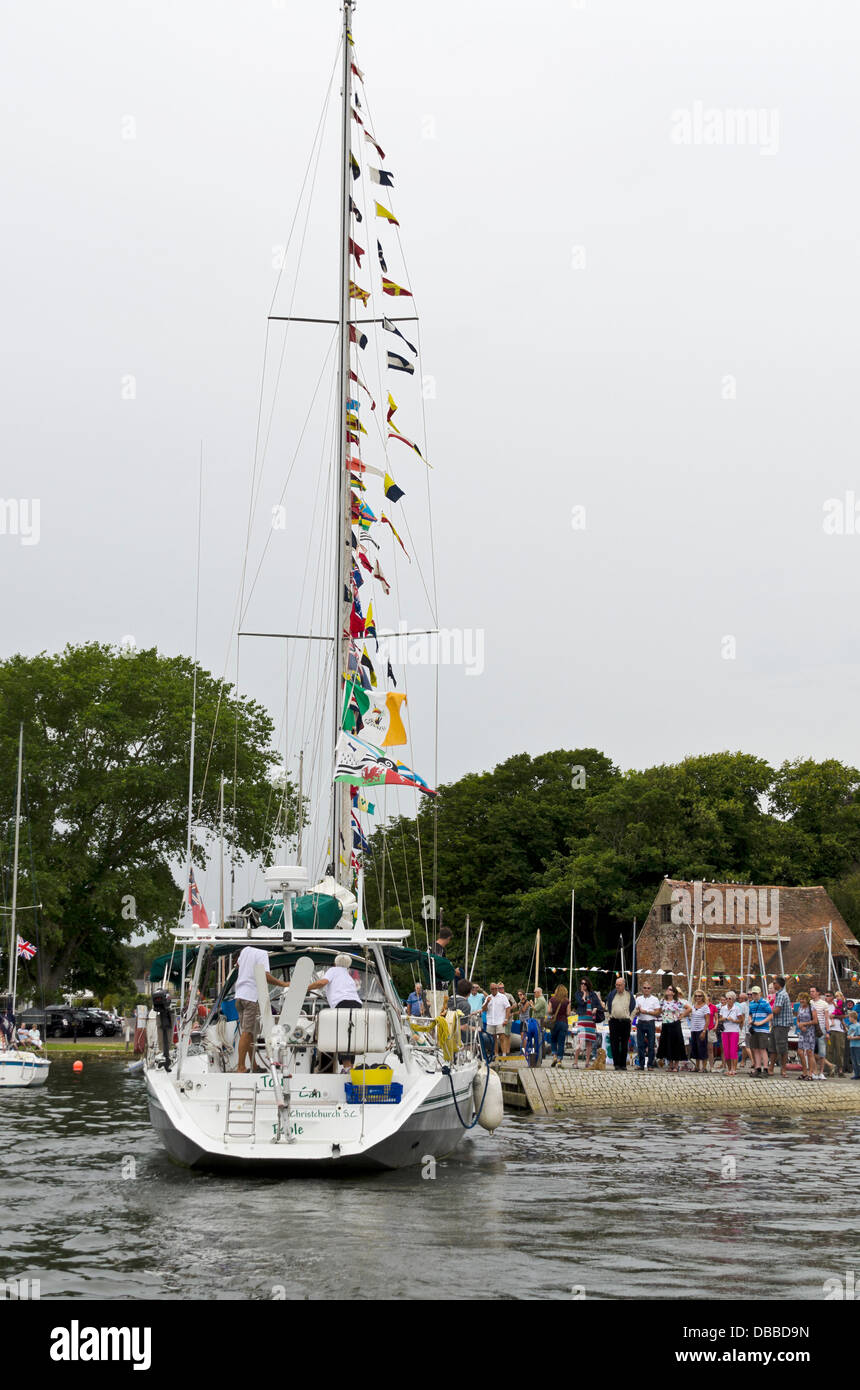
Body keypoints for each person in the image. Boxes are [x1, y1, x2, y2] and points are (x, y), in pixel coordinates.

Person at [233, 944, 293, 1074]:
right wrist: (283, 984)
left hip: (239, 996)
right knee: (247, 1033)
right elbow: (265, 975)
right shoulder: (262, 953)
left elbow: (237, 965)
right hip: (251, 997)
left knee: (250, 1034)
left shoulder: (245, 949)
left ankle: (253, 1066)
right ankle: (241, 1067)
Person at [656, 984, 689, 1072]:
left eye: (670, 989)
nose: (668, 990)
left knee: (676, 1044)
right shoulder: (662, 1001)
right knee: (667, 1044)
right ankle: (670, 1065)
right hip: (666, 1024)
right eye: (667, 989)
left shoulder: (678, 1001)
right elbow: (659, 1010)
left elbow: (689, 1008)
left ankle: (676, 1065)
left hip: (675, 1024)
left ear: (673, 993)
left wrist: (682, 1015)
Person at [606, 975, 635, 1071]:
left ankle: (623, 1064)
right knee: (614, 1043)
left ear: (624, 985)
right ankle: (616, 1064)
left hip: (625, 1022)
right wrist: (609, 1018)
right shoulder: (612, 994)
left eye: (619, 985)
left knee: (624, 1044)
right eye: (616, 985)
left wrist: (631, 1018)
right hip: (614, 1021)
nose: (617, 987)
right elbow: (607, 1006)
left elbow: (634, 1008)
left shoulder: (629, 995)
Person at [573, 976, 602, 1067]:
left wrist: (596, 1008)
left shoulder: (593, 994)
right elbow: (581, 1003)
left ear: (588, 984)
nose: (583, 985)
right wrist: (584, 995)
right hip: (582, 1020)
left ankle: (587, 1062)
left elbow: (599, 1006)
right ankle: (575, 1062)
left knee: (589, 1042)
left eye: (584, 984)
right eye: (581, 983)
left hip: (591, 1021)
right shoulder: (578, 994)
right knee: (580, 1041)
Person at [632, 980, 661, 1071]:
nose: (646, 990)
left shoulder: (655, 999)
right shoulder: (638, 999)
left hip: (650, 1022)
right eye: (645, 988)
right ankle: (641, 1064)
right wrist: (638, 1011)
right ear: (642, 989)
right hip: (640, 1022)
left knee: (651, 1044)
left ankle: (650, 1065)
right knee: (640, 1044)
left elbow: (657, 1012)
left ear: (651, 989)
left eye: (648, 988)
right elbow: (635, 1012)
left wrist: (647, 1012)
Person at [767, 976, 792, 1078]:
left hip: (782, 1024)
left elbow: (777, 1010)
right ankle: (771, 1068)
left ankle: (783, 1069)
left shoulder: (781, 995)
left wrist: (766, 1008)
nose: (773, 985)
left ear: (779, 984)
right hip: (776, 1024)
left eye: (774, 983)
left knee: (782, 1048)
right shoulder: (778, 994)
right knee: (772, 1047)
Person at [747, 987, 773, 1076]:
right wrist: (750, 1020)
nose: (754, 996)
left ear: (760, 994)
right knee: (755, 1049)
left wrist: (761, 1022)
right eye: (753, 994)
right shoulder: (751, 1004)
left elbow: (770, 1015)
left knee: (762, 1049)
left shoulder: (765, 1003)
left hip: (763, 1029)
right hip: (754, 1029)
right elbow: (750, 1014)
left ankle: (765, 1069)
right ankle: (757, 1068)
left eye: (756, 994)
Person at [809, 986, 834, 1079]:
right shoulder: (810, 1003)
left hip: (821, 1028)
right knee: (811, 1051)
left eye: (813, 991)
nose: (811, 993)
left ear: (818, 993)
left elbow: (826, 1019)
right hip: (811, 1029)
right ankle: (814, 1071)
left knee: (822, 1051)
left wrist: (828, 1032)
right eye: (810, 991)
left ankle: (821, 1072)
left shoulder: (824, 1004)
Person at [483, 982, 511, 1061]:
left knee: (502, 1037)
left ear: (497, 989)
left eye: (495, 989)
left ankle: (504, 1055)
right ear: (490, 989)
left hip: (500, 1021)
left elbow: (508, 1008)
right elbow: (483, 1009)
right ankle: (496, 1054)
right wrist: (487, 1002)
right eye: (492, 989)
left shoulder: (503, 997)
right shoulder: (488, 997)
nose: (494, 990)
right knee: (493, 1039)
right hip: (491, 1021)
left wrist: (506, 1019)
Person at [719, 991, 743, 1075]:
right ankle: (729, 1069)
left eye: (729, 999)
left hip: (734, 1031)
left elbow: (741, 1020)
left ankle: (734, 1069)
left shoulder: (737, 1008)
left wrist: (734, 1020)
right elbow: (720, 1019)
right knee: (726, 1051)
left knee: (733, 1050)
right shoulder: (723, 1008)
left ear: (733, 999)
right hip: (725, 1031)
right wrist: (724, 1019)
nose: (728, 1000)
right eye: (726, 998)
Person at [547, 985, 571, 1068]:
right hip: (563, 1022)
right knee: (561, 1042)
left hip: (554, 1022)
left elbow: (549, 1011)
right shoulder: (567, 1001)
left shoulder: (552, 1000)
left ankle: (554, 1057)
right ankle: (560, 1061)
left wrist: (553, 1012)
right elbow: (568, 1013)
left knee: (553, 1040)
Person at [795, 992, 816, 1079]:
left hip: (810, 1031)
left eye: (803, 999)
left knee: (809, 1052)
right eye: (800, 999)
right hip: (802, 1032)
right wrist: (799, 1025)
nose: (801, 1000)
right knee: (800, 1051)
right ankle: (804, 1072)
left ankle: (810, 1073)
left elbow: (815, 1021)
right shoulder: (799, 1008)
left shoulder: (811, 1008)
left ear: (807, 1000)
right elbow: (797, 1020)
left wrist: (805, 1024)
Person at [688, 990, 709, 1072]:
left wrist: (704, 1031)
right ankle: (697, 1066)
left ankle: (704, 1067)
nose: (698, 997)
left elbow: (707, 1020)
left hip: (701, 1029)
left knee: (702, 1048)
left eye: (699, 996)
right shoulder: (693, 1006)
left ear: (703, 997)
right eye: (696, 996)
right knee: (695, 1048)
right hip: (693, 1029)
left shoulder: (705, 1007)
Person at [825, 991, 846, 1074]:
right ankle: (830, 1069)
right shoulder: (824, 1006)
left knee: (840, 1050)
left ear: (832, 997)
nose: (826, 997)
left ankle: (840, 1070)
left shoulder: (838, 1004)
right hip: (829, 1030)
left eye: (828, 996)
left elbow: (844, 1015)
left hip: (839, 1030)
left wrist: (835, 1016)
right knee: (829, 1050)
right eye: (825, 996)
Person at [497, 981, 515, 1057]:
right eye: (500, 988)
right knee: (501, 1035)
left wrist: (509, 1009)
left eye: (502, 988)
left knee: (507, 1035)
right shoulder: (496, 996)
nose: (501, 989)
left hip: (508, 1017)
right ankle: (502, 1052)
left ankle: (507, 1051)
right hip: (499, 1018)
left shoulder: (509, 995)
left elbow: (515, 1004)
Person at [847, 1009, 860, 1081]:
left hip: (858, 1046)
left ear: (853, 1017)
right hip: (852, 1045)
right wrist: (849, 1037)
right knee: (854, 1060)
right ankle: (856, 1074)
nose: (849, 1018)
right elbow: (849, 1034)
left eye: (849, 1017)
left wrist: (852, 1037)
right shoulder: (851, 1026)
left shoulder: (858, 1026)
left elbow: (859, 1036)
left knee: (858, 1060)